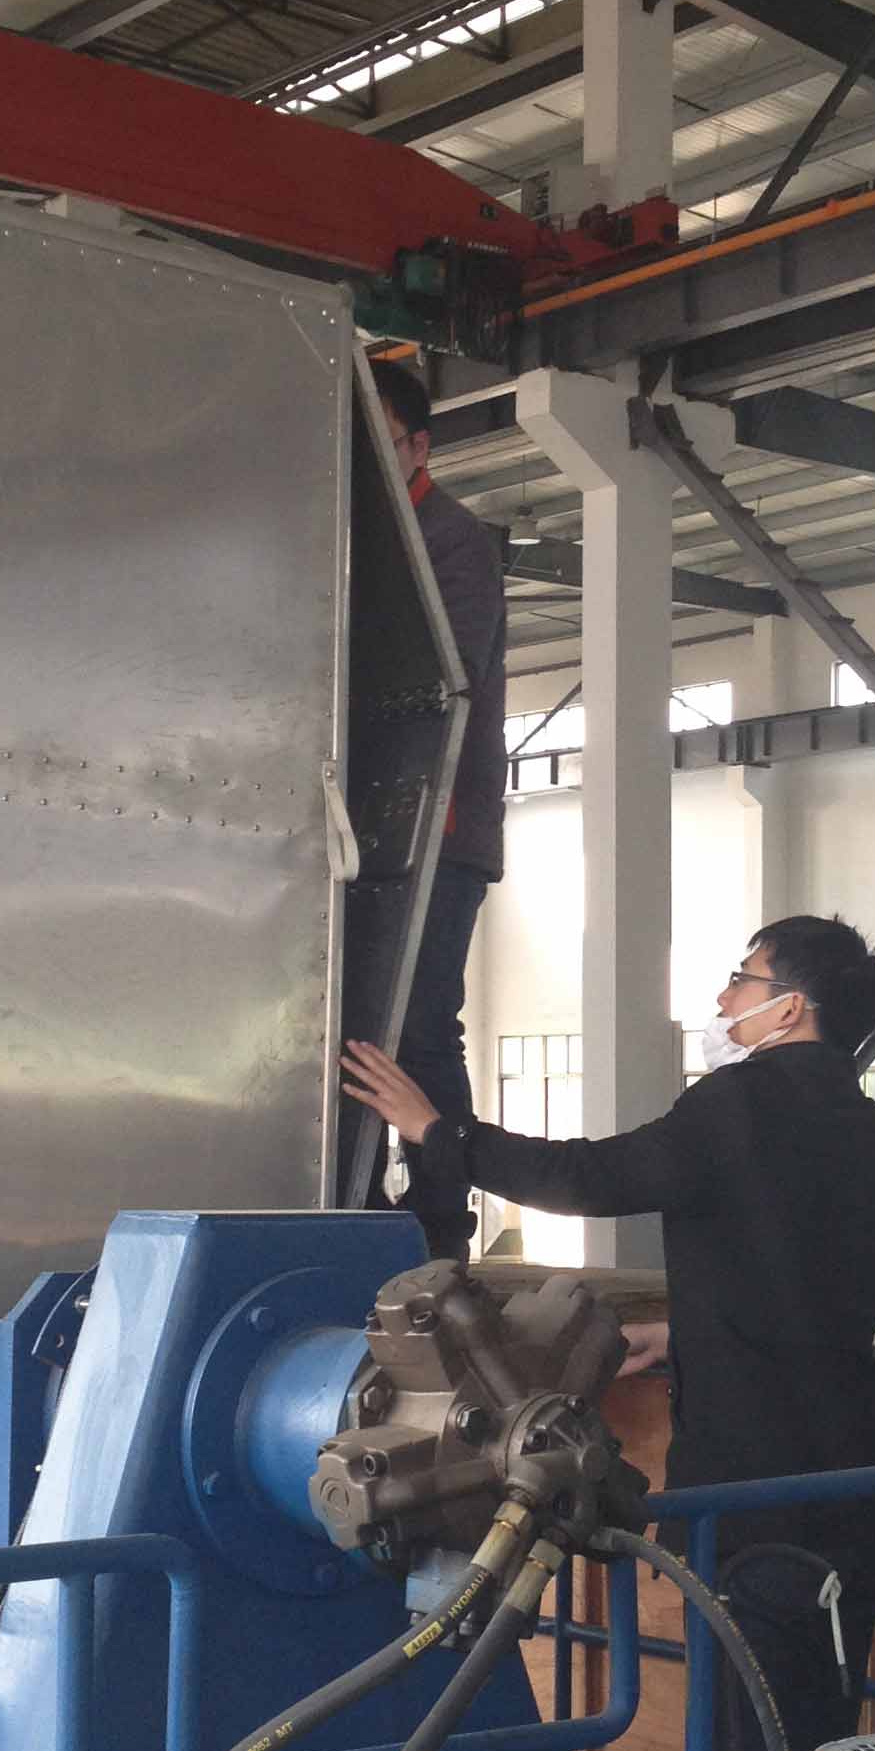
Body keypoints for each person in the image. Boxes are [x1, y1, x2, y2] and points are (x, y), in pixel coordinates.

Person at [343, 916, 875, 1751]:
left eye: (743, 979)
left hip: (759, 1484)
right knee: (820, 1718)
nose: (726, 1000)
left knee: (751, 1738)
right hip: (860, 1474)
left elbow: (587, 1178)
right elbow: (812, 1287)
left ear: (792, 1009)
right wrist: (691, 1336)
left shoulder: (739, 1106)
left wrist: (441, 1132)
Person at [370, 363, 506, 1258]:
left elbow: (441, 670)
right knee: (361, 1031)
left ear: (419, 446)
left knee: (422, 1026)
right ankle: (363, 1200)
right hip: (376, 824)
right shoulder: (364, 535)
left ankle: (443, 1218)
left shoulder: (451, 541)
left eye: (382, 442)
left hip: (443, 829)